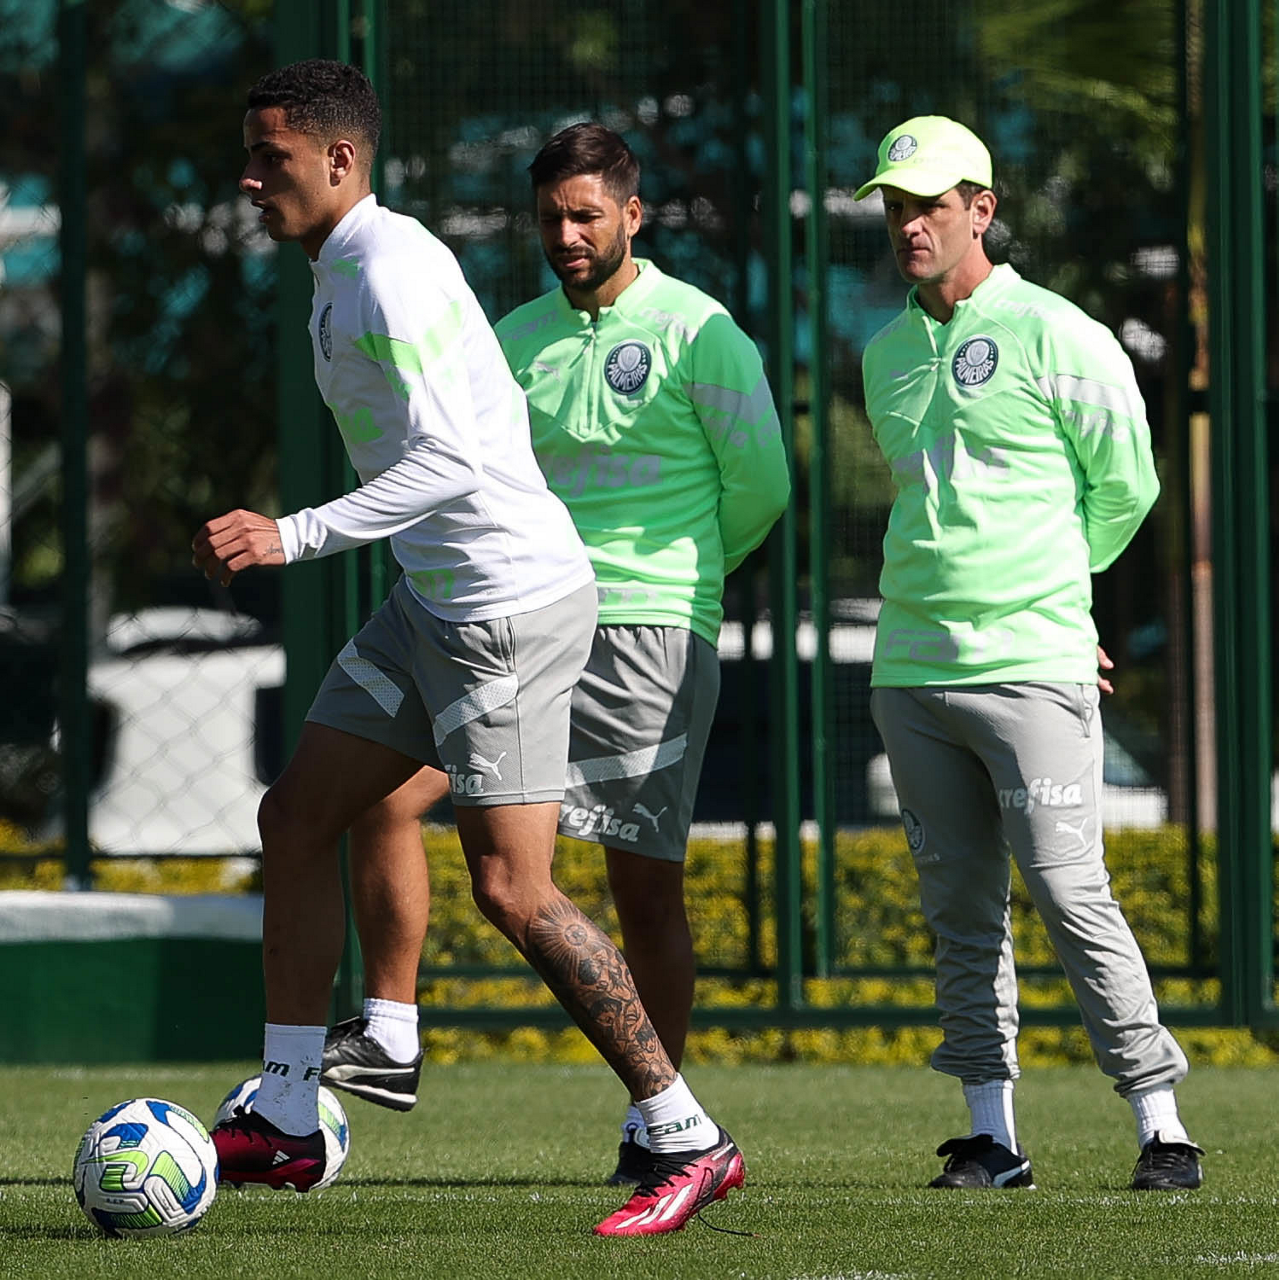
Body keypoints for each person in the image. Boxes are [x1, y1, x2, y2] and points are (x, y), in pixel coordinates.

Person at [194, 61, 744, 1237]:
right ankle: (288, 1110)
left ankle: (686, 1132)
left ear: (339, 160)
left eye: (269, 157)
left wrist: (294, 533)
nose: (249, 178)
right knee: (298, 814)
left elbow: (447, 461)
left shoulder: (389, 271)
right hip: (431, 603)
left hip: (506, 610)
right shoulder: (340, 266)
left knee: (512, 887)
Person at [320, 122, 790, 1198]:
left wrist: (679, 584)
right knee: (385, 798)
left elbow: (759, 485)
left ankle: (657, 1122)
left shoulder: (700, 330)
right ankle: (391, 1030)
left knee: (640, 887)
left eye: (586, 216)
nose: (567, 235)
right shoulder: (515, 335)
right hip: (514, 616)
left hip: (645, 628)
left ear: (633, 215)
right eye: (549, 219)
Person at [854, 115, 1202, 1192]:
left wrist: (1056, 603)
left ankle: (1161, 1125)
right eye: (895, 207)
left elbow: (1126, 486)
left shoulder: (1061, 332)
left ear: (981, 210)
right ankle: (990, 1138)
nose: (909, 225)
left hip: (1032, 662)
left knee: (1067, 890)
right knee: (959, 910)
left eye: (929, 205)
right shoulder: (882, 351)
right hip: (911, 669)